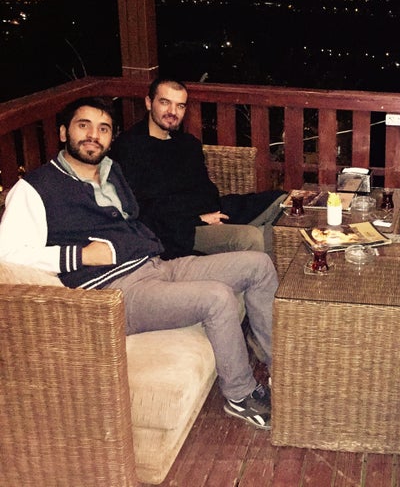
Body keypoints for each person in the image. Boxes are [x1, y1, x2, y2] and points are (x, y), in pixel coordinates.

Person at [0, 97, 276, 430]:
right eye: (83, 126)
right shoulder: (35, 188)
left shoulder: (112, 172)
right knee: (217, 297)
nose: (93, 135)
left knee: (258, 265)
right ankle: (240, 395)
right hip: (115, 293)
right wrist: (79, 255)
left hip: (156, 265)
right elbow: (7, 255)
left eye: (103, 129)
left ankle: (280, 369)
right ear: (63, 133)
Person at [110, 77, 285, 260]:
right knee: (249, 237)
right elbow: (142, 209)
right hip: (176, 231)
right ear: (149, 103)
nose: (172, 112)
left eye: (180, 106)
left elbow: (207, 191)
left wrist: (208, 214)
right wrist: (198, 219)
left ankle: (261, 267)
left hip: (209, 211)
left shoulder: (188, 144)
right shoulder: (130, 147)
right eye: (165, 102)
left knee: (281, 202)